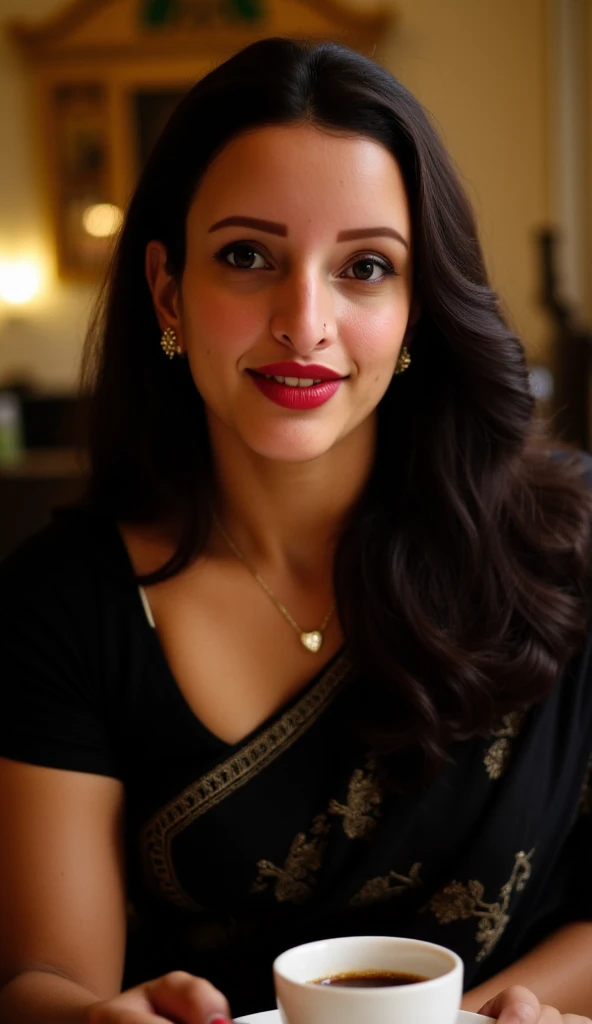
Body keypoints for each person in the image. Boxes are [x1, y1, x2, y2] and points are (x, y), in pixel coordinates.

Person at [1, 34, 591, 1024]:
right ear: (166, 291)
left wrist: (464, 1019)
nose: (304, 320)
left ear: (417, 307)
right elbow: (42, 982)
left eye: (364, 266)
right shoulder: (59, 608)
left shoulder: (566, 546)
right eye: (245, 256)